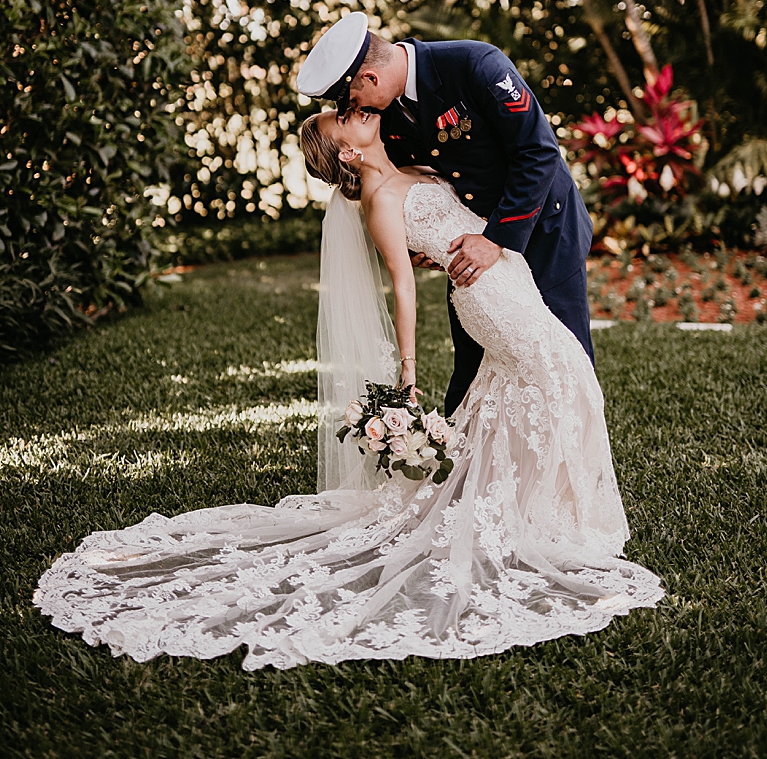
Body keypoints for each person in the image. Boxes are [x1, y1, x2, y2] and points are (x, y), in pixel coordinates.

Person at [33, 106, 661, 668]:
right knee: (564, 376)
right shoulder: (379, 201)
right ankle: (554, 517)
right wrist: (410, 373)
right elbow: (404, 285)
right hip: (486, 296)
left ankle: (540, 509)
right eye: (347, 122)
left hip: (509, 275)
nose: (357, 114)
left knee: (526, 392)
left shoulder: (413, 165)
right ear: (349, 153)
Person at [294, 12, 594, 415]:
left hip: (543, 227)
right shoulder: (386, 114)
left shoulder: (475, 65)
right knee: (471, 375)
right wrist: (422, 246)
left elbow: (537, 152)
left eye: (351, 102)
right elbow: (405, 188)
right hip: (467, 253)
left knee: (563, 360)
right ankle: (468, 471)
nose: (358, 110)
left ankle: (570, 474)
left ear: (369, 79)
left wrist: (495, 239)